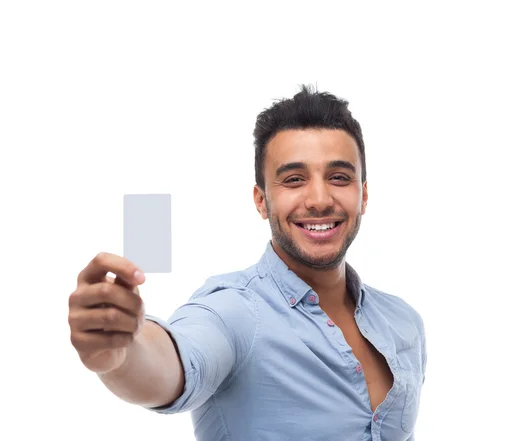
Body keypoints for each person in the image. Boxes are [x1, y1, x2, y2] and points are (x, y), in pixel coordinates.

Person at [68, 85, 427, 441]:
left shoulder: (403, 323)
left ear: (362, 195)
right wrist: (122, 352)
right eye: (294, 179)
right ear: (261, 201)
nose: (319, 199)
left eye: (338, 177)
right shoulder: (236, 311)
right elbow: (175, 362)